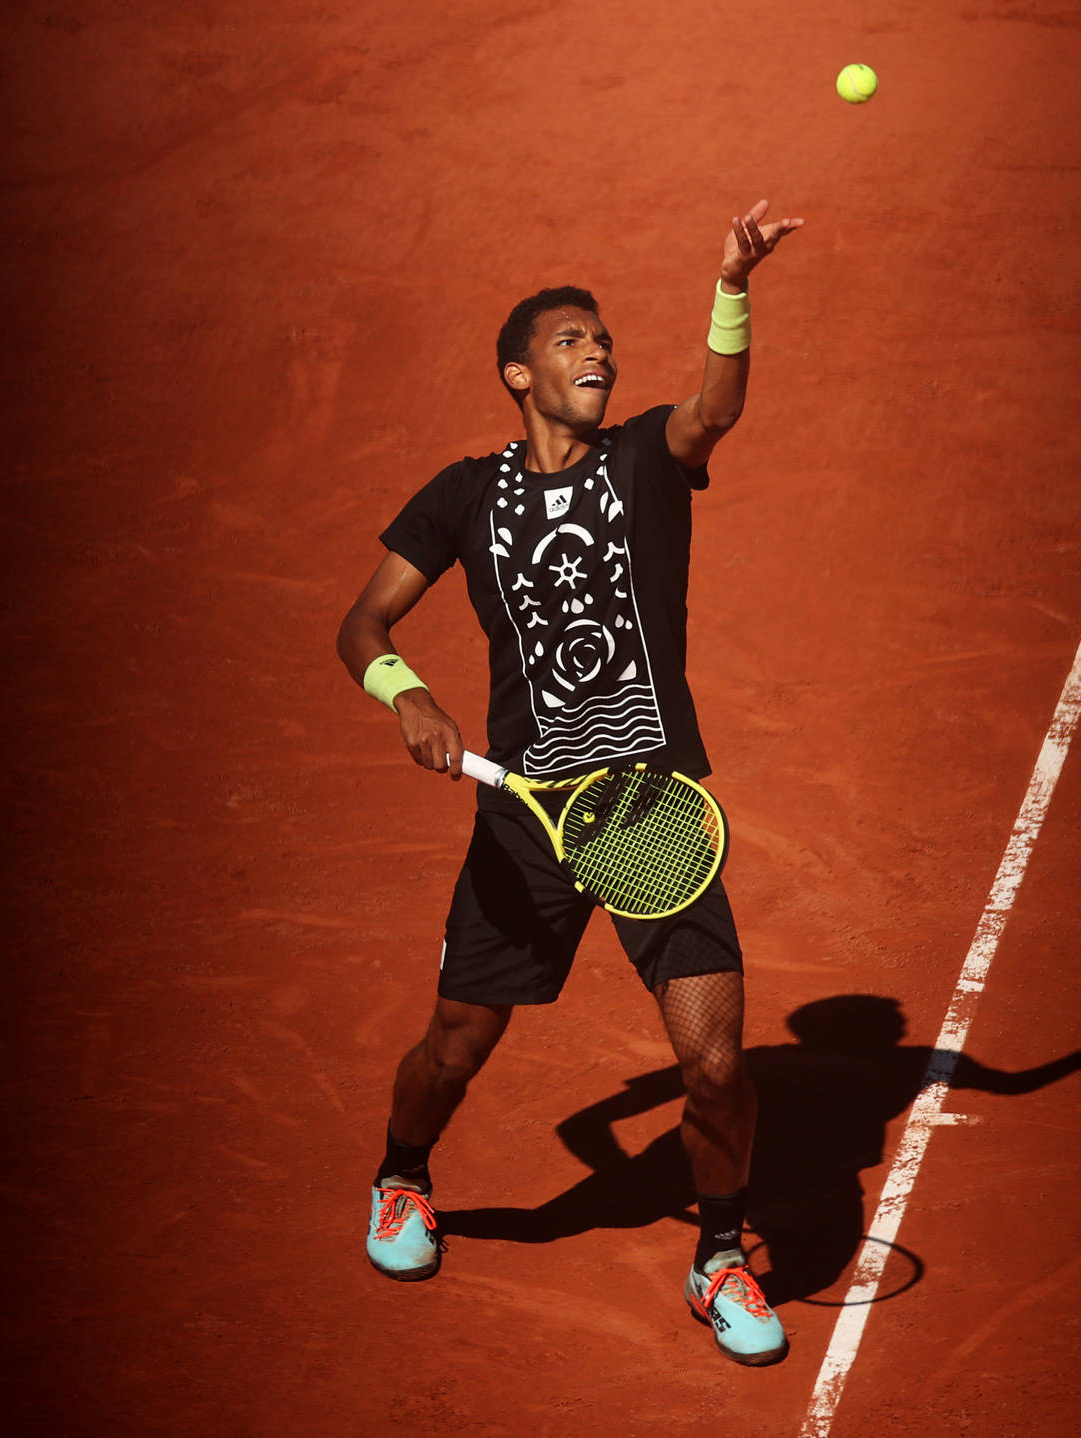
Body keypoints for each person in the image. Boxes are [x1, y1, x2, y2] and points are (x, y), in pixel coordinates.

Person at [335, 200, 804, 1367]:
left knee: (716, 1063)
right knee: (454, 1044)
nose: (597, 351)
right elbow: (364, 619)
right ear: (516, 372)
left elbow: (719, 406)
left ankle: (721, 1254)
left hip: (649, 810)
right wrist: (405, 693)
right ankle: (402, 1177)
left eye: (602, 337)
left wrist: (732, 283)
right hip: (526, 822)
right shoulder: (463, 495)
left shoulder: (647, 457)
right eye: (568, 339)